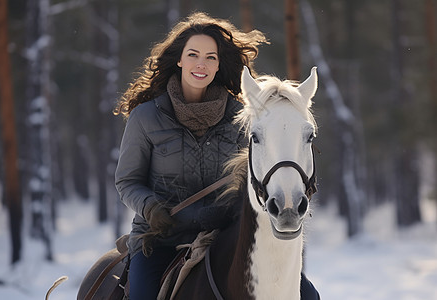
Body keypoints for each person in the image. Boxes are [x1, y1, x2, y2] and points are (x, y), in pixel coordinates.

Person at [115, 12, 319, 300]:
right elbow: (127, 181)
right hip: (161, 240)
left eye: (211, 57)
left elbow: (258, 174)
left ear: (219, 64)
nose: (202, 63)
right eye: (193, 54)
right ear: (179, 59)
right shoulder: (146, 117)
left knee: (309, 296)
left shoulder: (241, 116)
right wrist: (151, 209)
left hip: (225, 235)